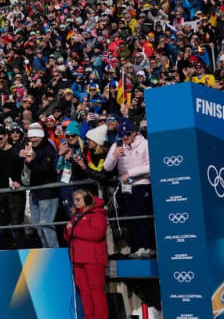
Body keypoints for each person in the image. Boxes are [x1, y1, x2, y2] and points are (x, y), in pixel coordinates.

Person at [103, 118, 154, 258]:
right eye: (122, 134)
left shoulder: (144, 143)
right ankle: (137, 247)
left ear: (135, 133)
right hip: (126, 185)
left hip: (142, 182)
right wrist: (114, 156)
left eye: (128, 133)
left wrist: (130, 173)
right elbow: (107, 167)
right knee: (131, 217)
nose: (125, 137)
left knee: (142, 214)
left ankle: (147, 246)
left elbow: (152, 165)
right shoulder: (118, 145)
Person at [64, 189, 109, 319]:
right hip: (78, 259)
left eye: (78, 199)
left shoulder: (97, 214)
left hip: (93, 259)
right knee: (84, 292)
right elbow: (69, 237)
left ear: (87, 199)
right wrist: (67, 230)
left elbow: (96, 233)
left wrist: (74, 229)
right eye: (74, 200)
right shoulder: (76, 216)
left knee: (96, 291)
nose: (76, 203)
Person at [20, 123, 59, 248]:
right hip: (34, 192)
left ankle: (54, 252)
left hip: (48, 193)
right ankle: (46, 250)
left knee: (46, 225)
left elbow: (44, 169)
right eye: (31, 137)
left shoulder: (48, 148)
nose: (33, 140)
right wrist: (20, 154)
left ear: (41, 136)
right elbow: (16, 152)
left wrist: (30, 162)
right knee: (38, 225)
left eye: (35, 137)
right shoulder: (30, 148)